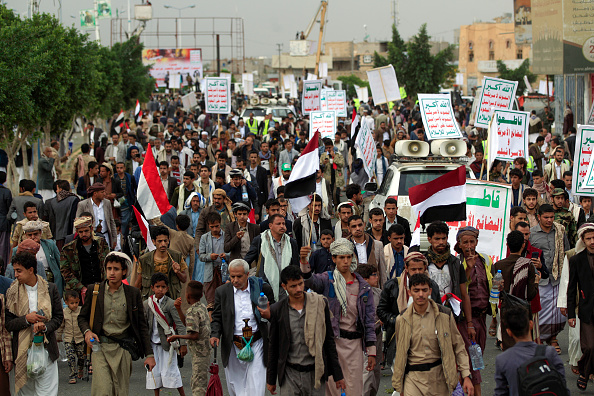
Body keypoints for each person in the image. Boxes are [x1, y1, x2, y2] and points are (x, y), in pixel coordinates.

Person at [299, 239, 376, 396]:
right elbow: (309, 281)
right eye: (341, 257)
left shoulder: (363, 287)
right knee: (333, 389)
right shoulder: (327, 280)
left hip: (355, 345)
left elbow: (369, 321)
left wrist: (372, 351)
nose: (345, 261)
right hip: (333, 344)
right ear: (334, 258)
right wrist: (304, 261)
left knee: (354, 389)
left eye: (348, 257)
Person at [78, 252, 156, 396]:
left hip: (123, 349)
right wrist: (87, 332)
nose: (112, 272)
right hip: (99, 348)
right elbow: (82, 318)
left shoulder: (133, 294)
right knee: (103, 391)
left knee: (120, 392)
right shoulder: (94, 291)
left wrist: (149, 354)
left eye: (116, 269)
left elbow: (141, 326)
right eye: (109, 269)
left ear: (124, 271)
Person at [266, 265, 345, 396]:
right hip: (290, 374)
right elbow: (273, 346)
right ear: (284, 286)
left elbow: (328, 341)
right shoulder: (278, 310)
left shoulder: (319, 304)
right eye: (293, 286)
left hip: (316, 373)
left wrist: (338, 375)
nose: (298, 289)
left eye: (300, 284)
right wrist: (271, 379)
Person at [391, 273, 473, 396]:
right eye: (416, 290)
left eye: (424, 290)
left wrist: (466, 375)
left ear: (430, 291)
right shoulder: (402, 319)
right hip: (413, 379)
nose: (420, 294)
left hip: (439, 377)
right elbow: (400, 353)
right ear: (409, 292)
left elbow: (458, 346)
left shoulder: (444, 315)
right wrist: (399, 386)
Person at [209, 259, 275, 396]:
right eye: (232, 276)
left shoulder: (261, 288)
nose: (235, 280)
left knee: (256, 386)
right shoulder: (222, 292)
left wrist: (269, 314)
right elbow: (217, 317)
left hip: (257, 343)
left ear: (247, 274)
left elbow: (274, 312)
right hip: (233, 345)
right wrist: (215, 334)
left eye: (239, 276)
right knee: (236, 387)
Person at [5, 252, 64, 396]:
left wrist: (45, 327)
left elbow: (58, 318)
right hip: (22, 352)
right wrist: (26, 319)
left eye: (19, 271)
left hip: (46, 349)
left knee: (47, 392)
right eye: (15, 271)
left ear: (31, 270)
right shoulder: (12, 292)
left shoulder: (50, 289)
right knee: (26, 392)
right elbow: (8, 323)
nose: (16, 275)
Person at [377, 252, 441, 369]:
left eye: (420, 269)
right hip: (399, 337)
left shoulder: (432, 286)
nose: (417, 272)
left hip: (427, 339)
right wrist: (397, 321)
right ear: (406, 268)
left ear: (425, 268)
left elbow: (439, 312)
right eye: (413, 269)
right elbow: (381, 311)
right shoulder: (392, 286)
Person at [494, 306, 568, 396]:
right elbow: (563, 386)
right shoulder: (550, 352)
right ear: (531, 324)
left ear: (509, 332)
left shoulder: (503, 359)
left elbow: (500, 392)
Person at [425, 221, 475, 343]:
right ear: (429, 239)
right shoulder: (423, 262)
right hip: (428, 316)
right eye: (437, 239)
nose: (441, 242)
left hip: (450, 317)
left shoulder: (455, 263)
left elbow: (464, 294)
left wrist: (469, 324)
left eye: (443, 238)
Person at [530, 204, 569, 352]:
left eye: (552, 217)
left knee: (558, 312)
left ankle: (553, 338)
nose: (549, 220)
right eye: (546, 217)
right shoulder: (531, 234)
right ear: (538, 217)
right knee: (541, 310)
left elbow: (566, 251)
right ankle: (538, 338)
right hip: (540, 279)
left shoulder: (560, 231)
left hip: (557, 277)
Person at [493, 231, 538, 350]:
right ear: (523, 245)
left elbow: (495, 292)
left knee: (508, 345)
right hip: (523, 310)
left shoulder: (498, 265)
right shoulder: (528, 265)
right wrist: (537, 283)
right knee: (524, 345)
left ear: (507, 245)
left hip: (506, 309)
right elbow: (530, 294)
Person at [143, 273, 187, 396]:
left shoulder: (171, 304)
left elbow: (179, 324)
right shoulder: (147, 304)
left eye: (163, 287)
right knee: (154, 371)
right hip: (153, 344)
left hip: (168, 343)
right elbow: (144, 325)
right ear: (152, 287)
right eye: (157, 287)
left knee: (172, 370)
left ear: (167, 288)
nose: (160, 289)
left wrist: (183, 344)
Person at [169, 281, 211, 396]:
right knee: (198, 381)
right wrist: (178, 309)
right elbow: (189, 325)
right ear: (201, 296)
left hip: (199, 354)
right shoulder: (202, 307)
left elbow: (194, 335)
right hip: (204, 353)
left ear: (187, 295)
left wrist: (177, 336)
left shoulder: (192, 311)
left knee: (198, 386)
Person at [245, 214, 300, 299]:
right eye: (278, 224)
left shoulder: (291, 242)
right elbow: (248, 259)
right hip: (266, 287)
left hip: (286, 287)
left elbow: (296, 265)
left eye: (283, 224)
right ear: (270, 226)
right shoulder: (260, 240)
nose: (282, 226)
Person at [567, 223, 594, 390]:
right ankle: (584, 369)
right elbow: (571, 288)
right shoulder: (576, 259)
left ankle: (585, 373)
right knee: (589, 346)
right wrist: (571, 314)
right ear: (583, 240)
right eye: (589, 238)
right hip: (587, 310)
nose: (592, 241)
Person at [60, 215, 110, 295]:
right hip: (79, 290)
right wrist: (81, 288)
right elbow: (65, 272)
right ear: (77, 232)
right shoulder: (68, 249)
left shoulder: (101, 243)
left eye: (86, 231)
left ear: (91, 229)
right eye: (81, 232)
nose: (84, 234)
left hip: (101, 287)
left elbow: (108, 263)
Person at [136, 226, 187, 300]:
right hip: (151, 300)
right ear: (154, 242)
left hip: (171, 298)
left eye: (165, 241)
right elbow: (138, 283)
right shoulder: (144, 260)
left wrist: (178, 272)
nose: (163, 244)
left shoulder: (176, 257)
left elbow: (184, 279)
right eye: (160, 241)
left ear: (169, 240)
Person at [198, 212, 230, 311]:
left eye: (217, 226)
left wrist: (226, 255)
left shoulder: (226, 236)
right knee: (211, 303)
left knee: (225, 301)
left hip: (224, 272)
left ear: (220, 224)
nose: (215, 229)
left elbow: (232, 253)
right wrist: (209, 256)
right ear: (208, 226)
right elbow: (201, 256)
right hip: (210, 273)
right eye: (212, 227)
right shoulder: (204, 238)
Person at [347, 215, 387, 286]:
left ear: (364, 225)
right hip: (352, 287)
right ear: (348, 229)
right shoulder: (345, 246)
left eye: (360, 225)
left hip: (373, 288)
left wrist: (384, 291)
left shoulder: (377, 245)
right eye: (354, 226)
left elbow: (382, 271)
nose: (358, 228)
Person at [76, 182, 118, 250]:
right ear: (95, 193)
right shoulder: (83, 204)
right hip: (90, 238)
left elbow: (111, 221)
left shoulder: (107, 203)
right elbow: (77, 223)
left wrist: (114, 239)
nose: (104, 194)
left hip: (105, 236)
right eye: (102, 192)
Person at [58, 290, 85, 384]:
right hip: (68, 338)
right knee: (70, 357)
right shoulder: (64, 313)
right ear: (66, 303)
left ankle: (80, 368)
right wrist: (58, 336)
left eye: (76, 302)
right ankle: (72, 375)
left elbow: (85, 324)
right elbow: (61, 325)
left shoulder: (81, 311)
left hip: (80, 338)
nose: (74, 305)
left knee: (81, 356)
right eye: (72, 303)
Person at [0, 289, 12, 395]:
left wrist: (8, 357)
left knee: (3, 389)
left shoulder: (1, 298)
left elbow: (5, 330)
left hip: (0, 353)